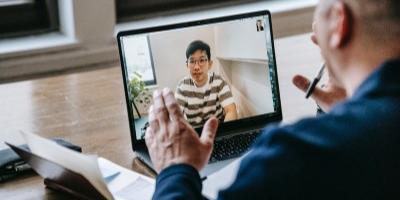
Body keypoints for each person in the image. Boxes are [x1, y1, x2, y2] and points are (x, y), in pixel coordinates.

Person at [145, 0, 400, 199]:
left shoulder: (290, 156)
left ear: (337, 23)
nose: (197, 65)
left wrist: (175, 169)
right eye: (193, 61)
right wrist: (352, 112)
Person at [175, 40, 238, 128]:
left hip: (217, 130)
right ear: (187, 65)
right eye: (192, 61)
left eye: (201, 60)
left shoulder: (219, 82)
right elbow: (175, 117)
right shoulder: (182, 86)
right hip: (195, 134)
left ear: (210, 64)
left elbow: (231, 110)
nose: (196, 67)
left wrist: (224, 134)